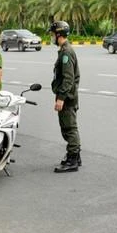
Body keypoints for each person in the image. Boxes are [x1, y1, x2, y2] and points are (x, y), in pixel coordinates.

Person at [49, 20, 82, 173]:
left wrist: (61, 98)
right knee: (67, 128)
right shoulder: (64, 50)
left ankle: (72, 160)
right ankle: (76, 156)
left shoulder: (66, 52)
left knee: (69, 128)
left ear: (58, 35)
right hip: (67, 96)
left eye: (52, 34)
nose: (51, 37)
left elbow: (68, 78)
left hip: (67, 98)